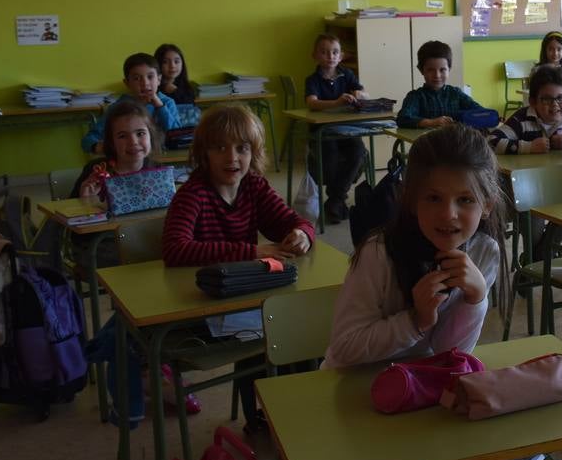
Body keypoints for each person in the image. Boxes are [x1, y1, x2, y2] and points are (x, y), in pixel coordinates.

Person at [323, 125, 529, 460]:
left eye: (465, 200)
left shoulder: (485, 252)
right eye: (432, 198)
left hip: (425, 402)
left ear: (487, 204)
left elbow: (450, 358)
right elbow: (345, 347)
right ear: (411, 199)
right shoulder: (381, 252)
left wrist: (477, 300)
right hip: (359, 404)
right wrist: (414, 320)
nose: (448, 214)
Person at [162, 104, 314, 432]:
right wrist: (249, 251)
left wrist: (302, 234)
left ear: (254, 153)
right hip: (204, 305)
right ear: (204, 153)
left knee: (303, 329)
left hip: (244, 297)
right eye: (220, 148)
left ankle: (294, 414)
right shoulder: (194, 194)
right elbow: (175, 249)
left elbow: (292, 221)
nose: (233, 158)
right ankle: (263, 417)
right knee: (268, 334)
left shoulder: (254, 187)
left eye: (242, 148)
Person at [304, 33, 370, 224]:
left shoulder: (346, 74)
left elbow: (364, 92)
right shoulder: (313, 80)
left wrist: (359, 94)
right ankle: (337, 201)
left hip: (346, 129)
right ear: (315, 55)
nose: (330, 56)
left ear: (341, 56)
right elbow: (312, 103)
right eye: (324, 52)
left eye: (334, 52)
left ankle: (335, 200)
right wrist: (336, 103)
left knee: (359, 152)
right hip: (322, 131)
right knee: (330, 158)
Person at [82, 52, 182, 153]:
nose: (145, 83)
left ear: (159, 79)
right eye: (137, 78)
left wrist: (160, 107)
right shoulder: (118, 108)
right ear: (127, 83)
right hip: (129, 161)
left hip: (163, 160)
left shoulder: (167, 103)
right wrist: (96, 146)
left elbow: (177, 136)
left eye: (150, 77)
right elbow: (88, 139)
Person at [73, 98, 162, 203]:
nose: (133, 142)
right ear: (111, 142)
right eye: (122, 136)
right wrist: (85, 201)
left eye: (140, 133)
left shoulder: (159, 172)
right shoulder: (94, 172)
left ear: (150, 136)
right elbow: (62, 216)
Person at [397, 40, 483, 128]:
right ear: (421, 70)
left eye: (442, 70)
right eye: (430, 70)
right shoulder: (416, 96)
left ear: (449, 69)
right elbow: (402, 119)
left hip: (456, 140)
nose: (437, 75)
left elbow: (480, 112)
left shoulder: (456, 93)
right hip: (428, 141)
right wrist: (431, 122)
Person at [490, 64, 562, 155]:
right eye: (547, 99)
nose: (555, 104)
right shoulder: (520, 120)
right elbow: (490, 142)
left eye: (560, 98)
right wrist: (529, 147)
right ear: (533, 102)